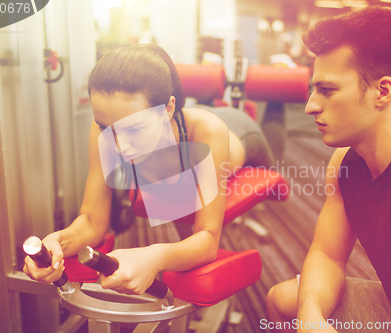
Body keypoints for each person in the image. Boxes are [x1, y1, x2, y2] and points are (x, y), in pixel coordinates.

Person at [265, 7, 391, 333]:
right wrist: (312, 315)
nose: (310, 106)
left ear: (383, 91)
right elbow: (328, 255)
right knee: (283, 300)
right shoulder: (347, 162)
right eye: (314, 89)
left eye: (327, 90)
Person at [23, 44, 275, 295]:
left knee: (275, 133)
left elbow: (208, 239)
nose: (119, 146)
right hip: (179, 123)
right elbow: (92, 220)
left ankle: (279, 99)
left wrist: (154, 256)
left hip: (240, 131)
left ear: (168, 108)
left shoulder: (210, 132)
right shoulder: (109, 125)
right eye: (105, 129)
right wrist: (57, 242)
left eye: (134, 129)